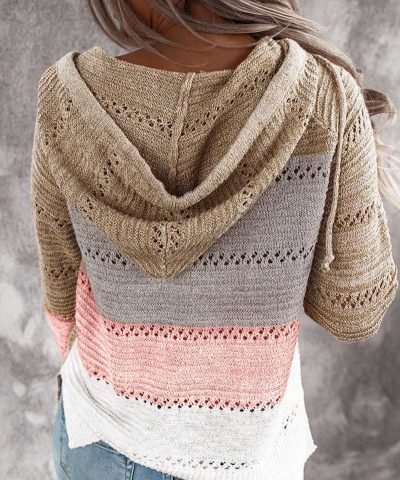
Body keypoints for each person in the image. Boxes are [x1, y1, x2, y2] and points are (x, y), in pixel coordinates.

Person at [30, 1, 399, 479]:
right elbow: (353, 312)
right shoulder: (323, 96)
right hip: (242, 452)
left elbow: (61, 289)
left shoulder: (65, 98)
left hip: (101, 432)